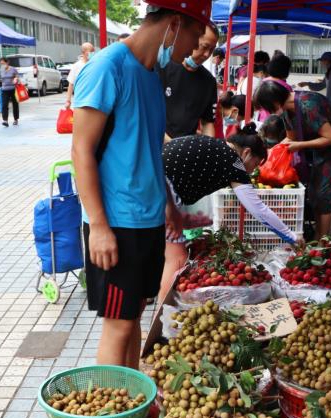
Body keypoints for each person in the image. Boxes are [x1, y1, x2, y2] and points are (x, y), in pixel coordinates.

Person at [71, 0, 209, 368]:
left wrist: (168, 205)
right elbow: (81, 150)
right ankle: (111, 406)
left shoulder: (150, 75)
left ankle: (132, 394)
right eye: (195, 35)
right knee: (118, 325)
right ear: (174, 24)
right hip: (117, 222)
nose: (194, 48)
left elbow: (148, 149)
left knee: (133, 316)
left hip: (147, 219)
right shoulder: (107, 67)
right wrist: (99, 226)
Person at [158, 124, 299, 300]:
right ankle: (162, 312)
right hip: (159, 193)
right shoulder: (233, 162)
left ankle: (148, 298)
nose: (252, 171)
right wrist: (291, 237)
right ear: (246, 152)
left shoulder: (214, 145)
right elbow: (258, 210)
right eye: (255, 164)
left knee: (156, 252)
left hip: (143, 184)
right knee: (177, 258)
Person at [254, 80, 331, 239]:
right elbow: (290, 138)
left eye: (265, 106)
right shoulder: (287, 110)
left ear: (274, 102)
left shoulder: (308, 105)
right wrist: (269, 155)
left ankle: (322, 242)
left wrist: (300, 145)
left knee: (325, 194)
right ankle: (317, 236)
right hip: (321, 147)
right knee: (315, 191)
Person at [159, 24, 218, 139]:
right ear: (193, 40)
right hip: (157, 141)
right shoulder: (163, 66)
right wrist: (170, 144)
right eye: (204, 47)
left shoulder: (209, 81)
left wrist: (209, 144)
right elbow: (148, 113)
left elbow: (207, 122)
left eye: (212, 50)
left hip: (186, 145)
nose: (207, 54)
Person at [65, 42, 95, 109]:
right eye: (90, 52)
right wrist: (68, 101)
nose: (92, 54)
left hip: (93, 101)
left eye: (93, 52)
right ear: (83, 52)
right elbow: (71, 84)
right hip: (80, 101)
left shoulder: (95, 65)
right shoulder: (76, 66)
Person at [0, 57, 19, 127]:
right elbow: (1, 78)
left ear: (7, 62)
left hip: (13, 89)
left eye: (3, 63)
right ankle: (5, 120)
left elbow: (17, 76)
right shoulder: (1, 70)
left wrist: (16, 79)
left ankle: (15, 119)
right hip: (4, 89)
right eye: (1, 64)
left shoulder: (13, 69)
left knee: (15, 104)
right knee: (4, 105)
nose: (2, 65)